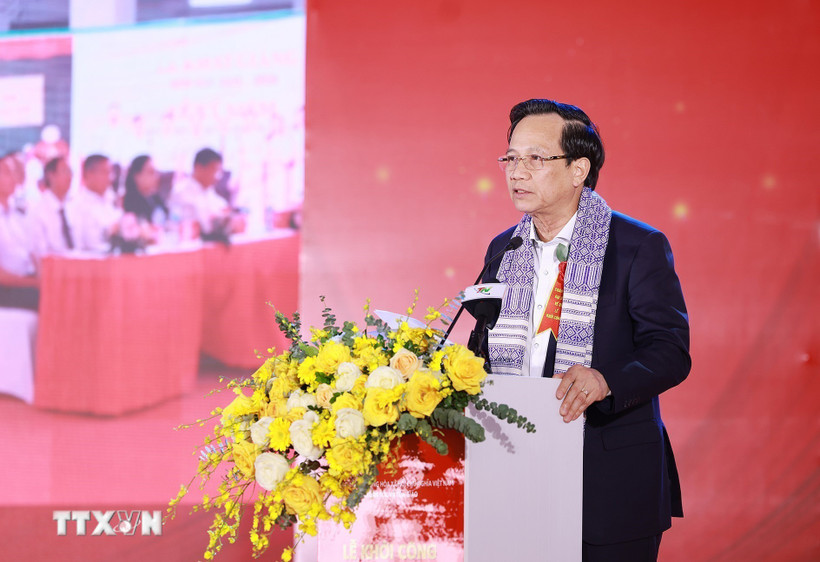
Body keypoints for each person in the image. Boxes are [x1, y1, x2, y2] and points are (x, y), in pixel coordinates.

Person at [478, 99, 690, 562]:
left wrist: (606, 379)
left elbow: (670, 350)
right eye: (511, 158)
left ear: (579, 169)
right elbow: (482, 349)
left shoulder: (637, 245)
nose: (517, 171)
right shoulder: (504, 248)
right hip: (514, 475)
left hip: (608, 478)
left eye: (535, 158)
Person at [170, 148, 245, 239]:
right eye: (214, 170)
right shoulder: (181, 192)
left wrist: (230, 219)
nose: (217, 177)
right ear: (199, 168)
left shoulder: (210, 192)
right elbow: (202, 224)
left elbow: (223, 211)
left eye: (219, 171)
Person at [0, 154, 39, 310]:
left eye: (14, 172)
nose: (13, 178)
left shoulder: (19, 215)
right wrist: (34, 284)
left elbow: (33, 254)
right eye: (6, 172)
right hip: (6, 288)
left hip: (26, 282)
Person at [27, 156, 76, 258]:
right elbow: (39, 254)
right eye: (65, 172)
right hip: (52, 269)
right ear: (51, 176)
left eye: (70, 172)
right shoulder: (38, 210)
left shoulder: (73, 207)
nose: (69, 177)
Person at [72, 154, 122, 252]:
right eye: (105, 172)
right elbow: (89, 245)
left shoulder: (110, 200)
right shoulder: (79, 205)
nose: (110, 178)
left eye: (110, 172)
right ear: (89, 174)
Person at [123, 155, 167, 224]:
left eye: (156, 172)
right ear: (137, 176)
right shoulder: (130, 203)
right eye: (151, 172)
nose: (156, 176)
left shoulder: (155, 198)